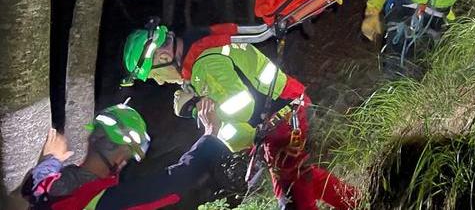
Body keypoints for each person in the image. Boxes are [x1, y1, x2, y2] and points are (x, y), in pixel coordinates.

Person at [121, 20, 358, 210]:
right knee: (301, 178)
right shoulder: (203, 50)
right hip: (284, 113)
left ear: (163, 58)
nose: (160, 82)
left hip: (282, 118)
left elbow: (243, 106)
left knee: (292, 196)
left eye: (154, 76)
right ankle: (358, 202)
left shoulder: (205, 63)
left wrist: (196, 108)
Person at [21, 100, 228, 209]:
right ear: (121, 156)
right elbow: (178, 179)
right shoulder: (109, 201)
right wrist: (210, 134)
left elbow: (37, 181)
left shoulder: (49, 188)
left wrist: (51, 159)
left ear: (92, 137)